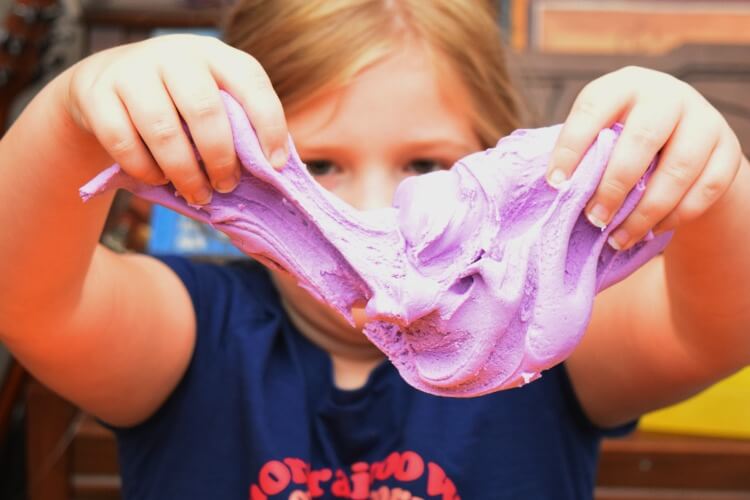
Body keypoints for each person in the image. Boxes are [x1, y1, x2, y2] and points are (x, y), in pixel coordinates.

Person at [0, 0, 748, 498]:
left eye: (426, 166)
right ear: (232, 176)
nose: (377, 211)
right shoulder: (190, 333)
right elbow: (26, 296)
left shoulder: (543, 341)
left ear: (499, 160)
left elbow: (720, 325)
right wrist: (69, 121)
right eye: (318, 165)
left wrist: (711, 174)